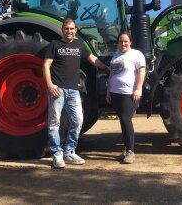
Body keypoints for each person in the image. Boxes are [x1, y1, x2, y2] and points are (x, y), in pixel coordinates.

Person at [43, 18, 108, 169]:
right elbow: (46, 65)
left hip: (74, 90)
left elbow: (92, 58)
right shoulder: (55, 45)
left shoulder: (79, 45)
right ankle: (56, 154)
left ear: (75, 30)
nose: (69, 31)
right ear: (62, 29)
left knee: (78, 120)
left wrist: (106, 68)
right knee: (54, 123)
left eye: (72, 29)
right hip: (57, 89)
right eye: (66, 28)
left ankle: (69, 151)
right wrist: (50, 84)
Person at [106, 32, 146, 164]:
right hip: (115, 92)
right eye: (121, 41)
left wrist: (138, 88)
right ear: (118, 43)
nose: (123, 44)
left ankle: (130, 151)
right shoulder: (116, 55)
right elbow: (112, 74)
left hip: (129, 93)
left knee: (126, 119)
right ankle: (125, 149)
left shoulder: (136, 54)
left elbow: (142, 71)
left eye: (125, 41)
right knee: (122, 121)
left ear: (130, 42)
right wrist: (108, 91)